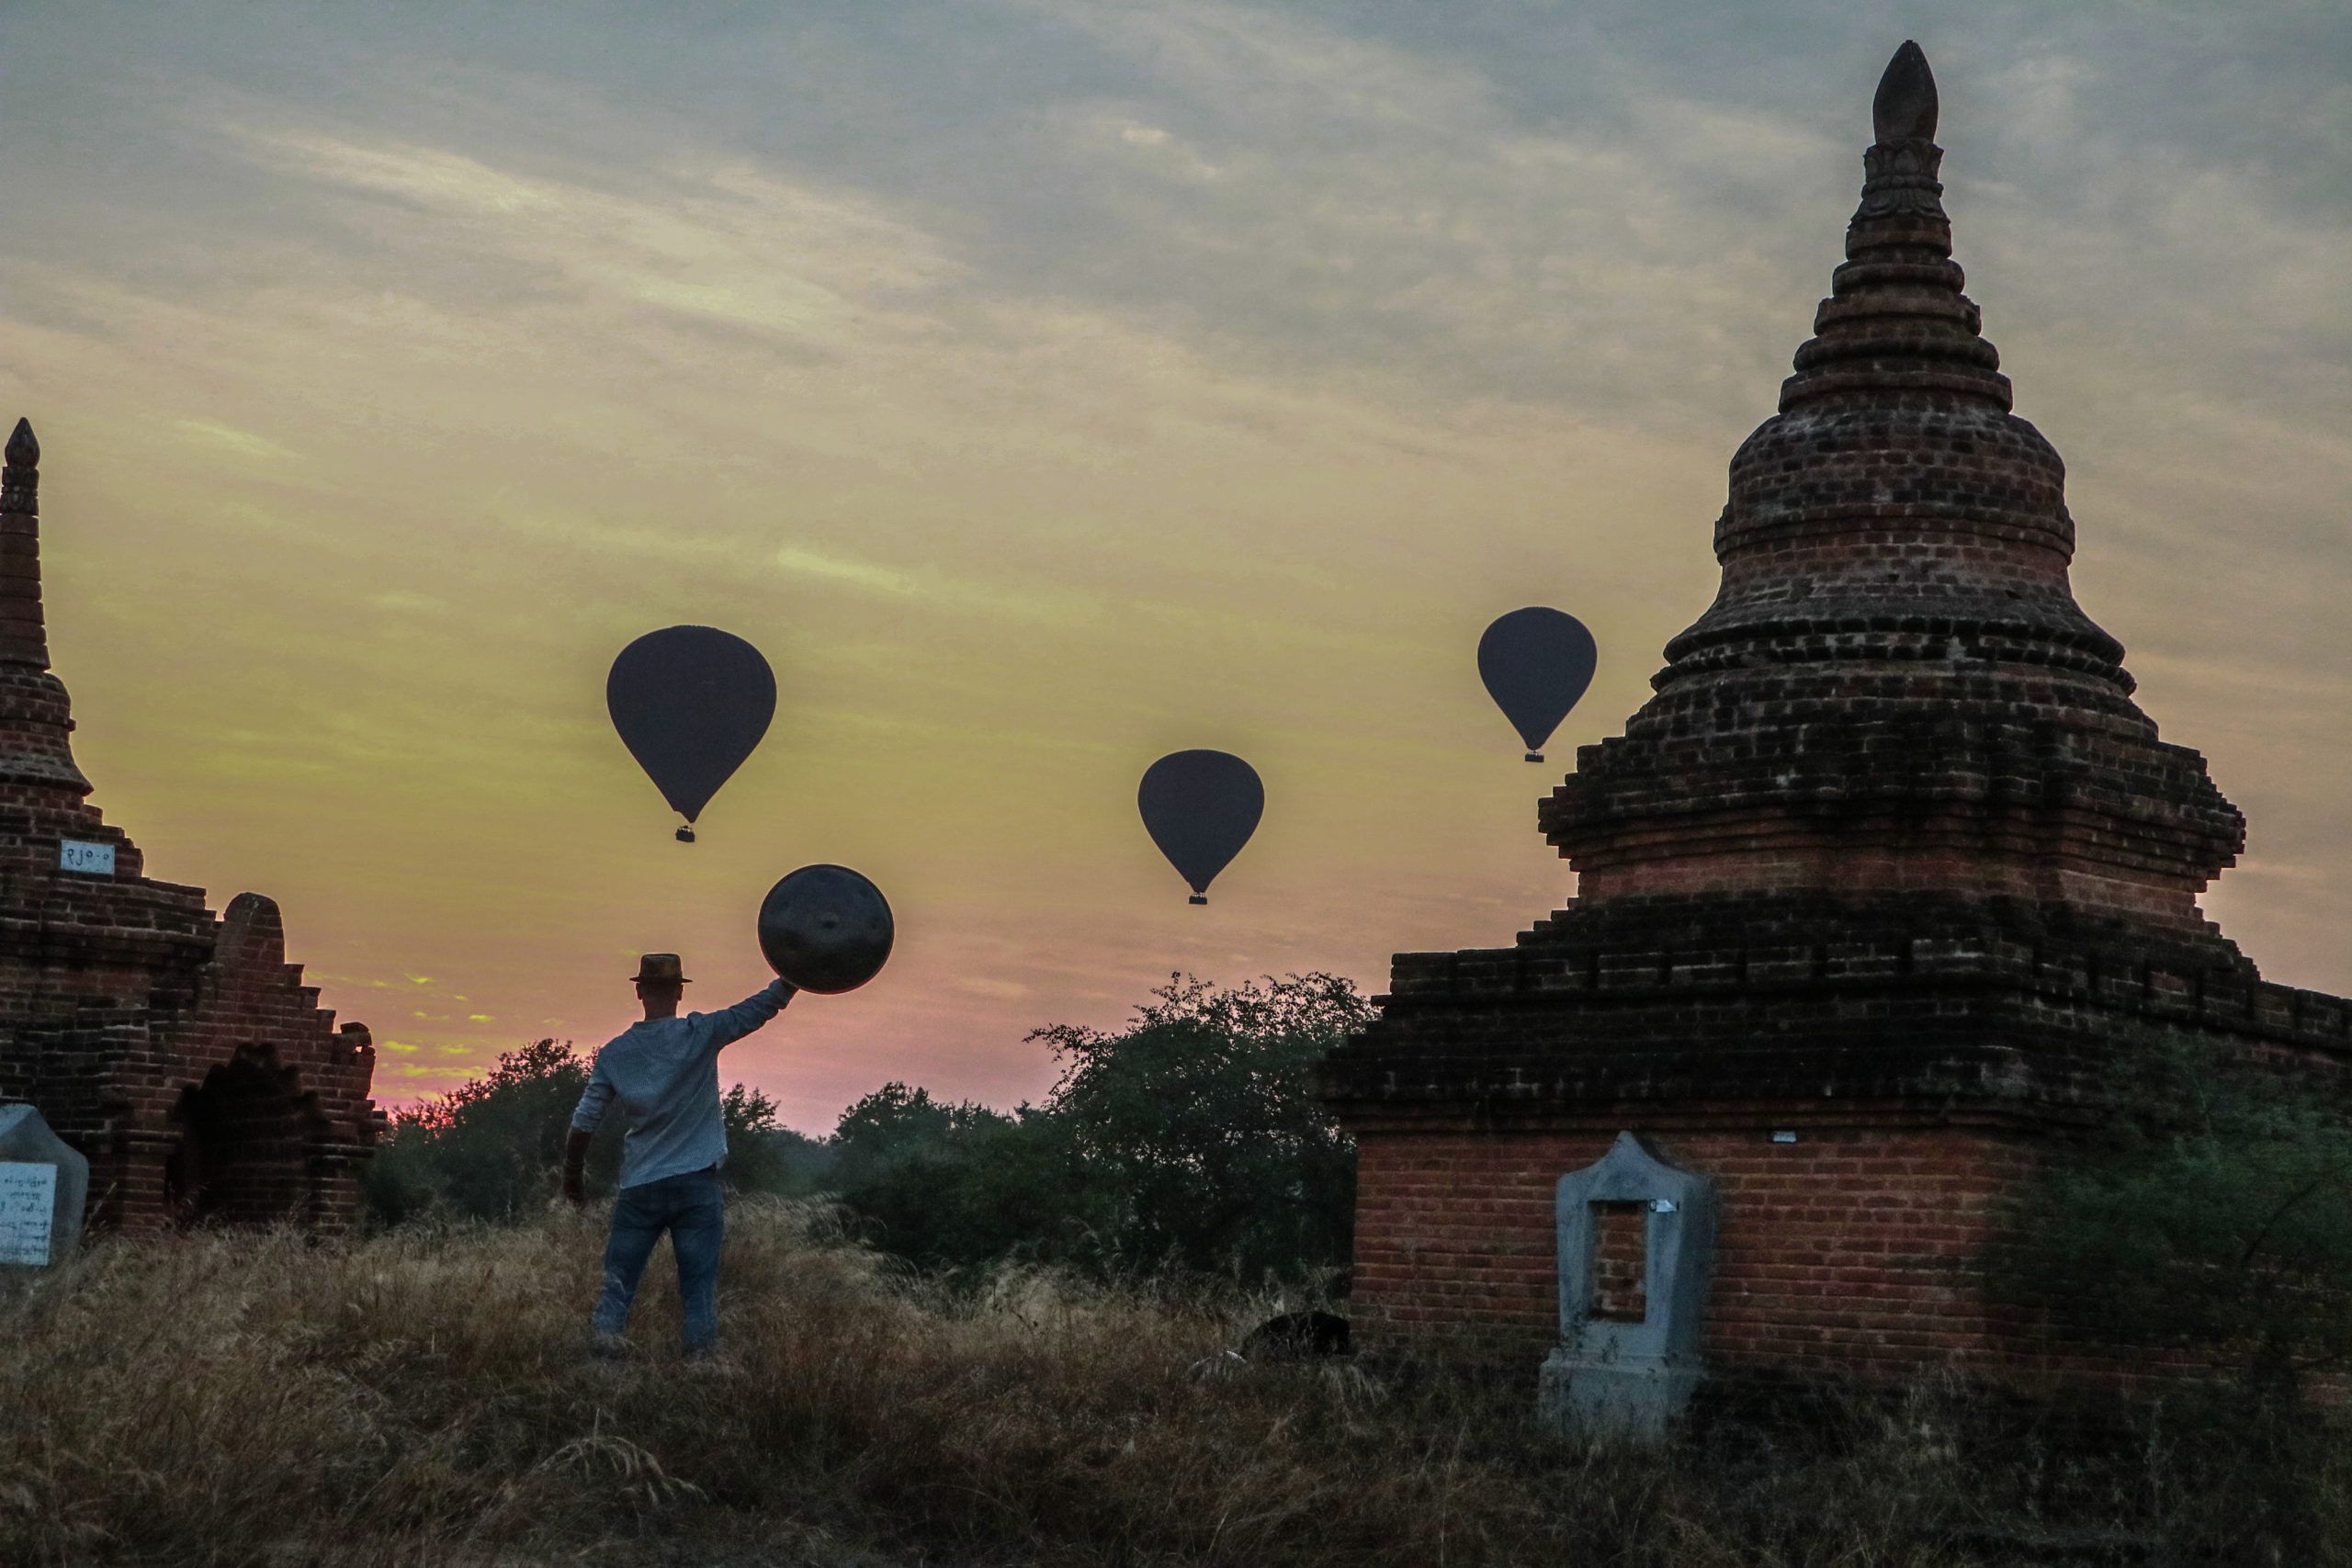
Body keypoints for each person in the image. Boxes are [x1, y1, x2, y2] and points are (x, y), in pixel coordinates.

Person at [564, 953, 794, 1357]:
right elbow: (757, 1009)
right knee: (698, 1292)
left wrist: (572, 1174)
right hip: (695, 1187)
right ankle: (701, 1373)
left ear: (639, 991)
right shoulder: (699, 1033)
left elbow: (585, 1120)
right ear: (678, 991)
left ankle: (598, 1372)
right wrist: (794, 976)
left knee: (617, 1289)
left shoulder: (615, 1054)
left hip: (640, 1188)